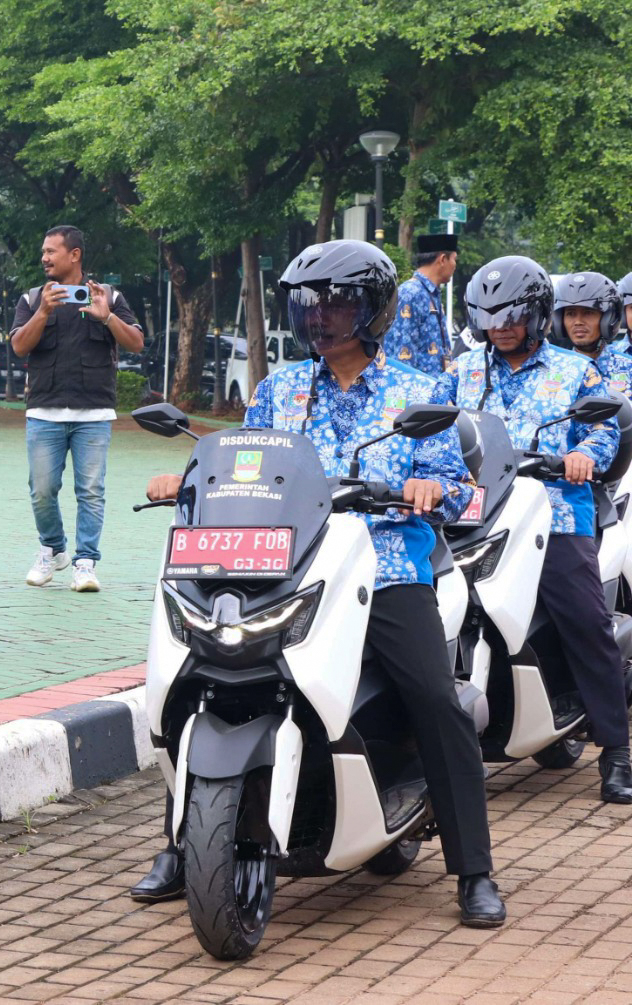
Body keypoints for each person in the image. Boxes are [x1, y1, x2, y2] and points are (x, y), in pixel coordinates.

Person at [130, 239, 505, 927]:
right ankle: (183, 845)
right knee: (199, 678)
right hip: (281, 562)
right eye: (310, 304)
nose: (322, 317)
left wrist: (429, 487)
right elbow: (238, 469)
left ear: (374, 309)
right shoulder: (277, 391)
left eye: (338, 303)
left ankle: (473, 867)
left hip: (385, 565)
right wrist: (184, 480)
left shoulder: (419, 392)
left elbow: (459, 491)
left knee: (432, 696)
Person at [440, 255, 632, 804]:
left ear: (535, 315)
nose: (500, 326)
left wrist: (580, 455)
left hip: (555, 513)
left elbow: (602, 433)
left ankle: (616, 754)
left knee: (586, 620)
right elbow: (429, 428)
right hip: (471, 513)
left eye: (512, 315)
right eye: (489, 316)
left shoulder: (576, 372)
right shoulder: (462, 371)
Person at [9, 225, 144, 592]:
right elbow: (19, 347)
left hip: (94, 414)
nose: (44, 258)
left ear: (75, 255)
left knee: (90, 490)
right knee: (42, 490)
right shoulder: (32, 297)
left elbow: (136, 343)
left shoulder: (108, 296)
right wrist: (42, 312)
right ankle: (53, 549)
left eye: (51, 251)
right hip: (44, 411)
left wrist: (107, 317)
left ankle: (85, 562)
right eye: (44, 252)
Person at [380, 233, 458, 375]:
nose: (455, 265)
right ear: (442, 259)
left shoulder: (431, 294)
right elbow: (401, 354)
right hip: (417, 392)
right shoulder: (410, 293)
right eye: (454, 259)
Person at [552, 272, 632, 394]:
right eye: (571, 314)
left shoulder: (628, 368)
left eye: (588, 312)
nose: (578, 322)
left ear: (608, 318)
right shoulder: (550, 371)